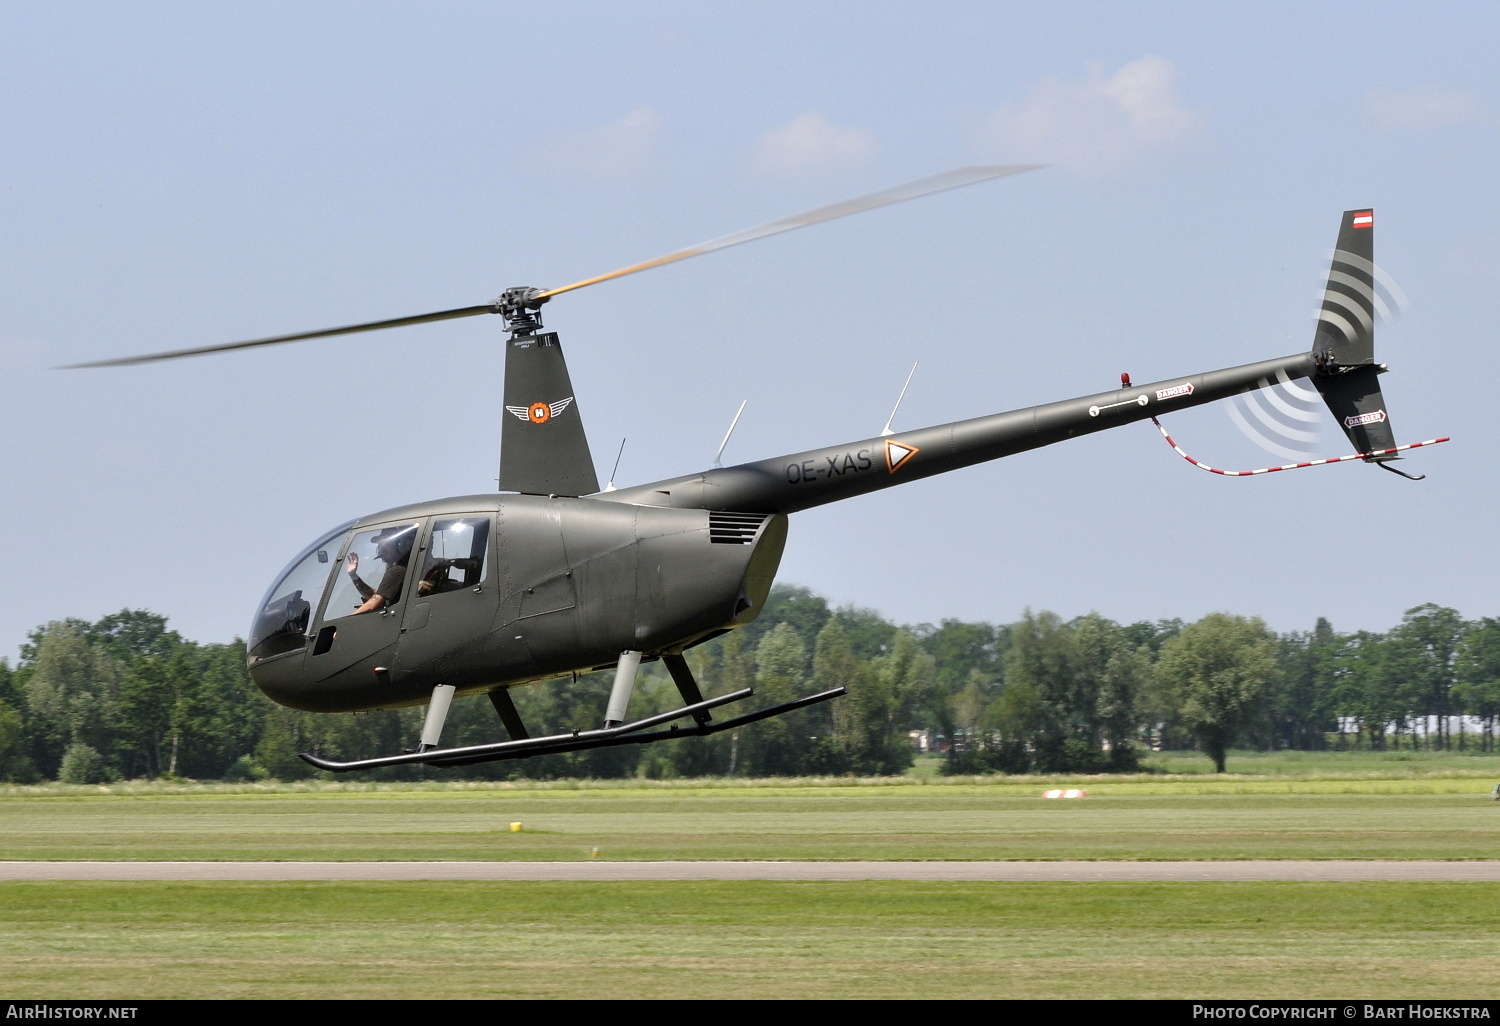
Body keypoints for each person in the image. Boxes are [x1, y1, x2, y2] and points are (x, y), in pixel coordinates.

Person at [345, 525, 415, 615]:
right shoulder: (405, 569)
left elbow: (372, 604)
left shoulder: (397, 572)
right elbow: (379, 595)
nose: (381, 547)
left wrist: (341, 625)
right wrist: (353, 575)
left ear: (401, 544)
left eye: (386, 542)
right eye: (381, 543)